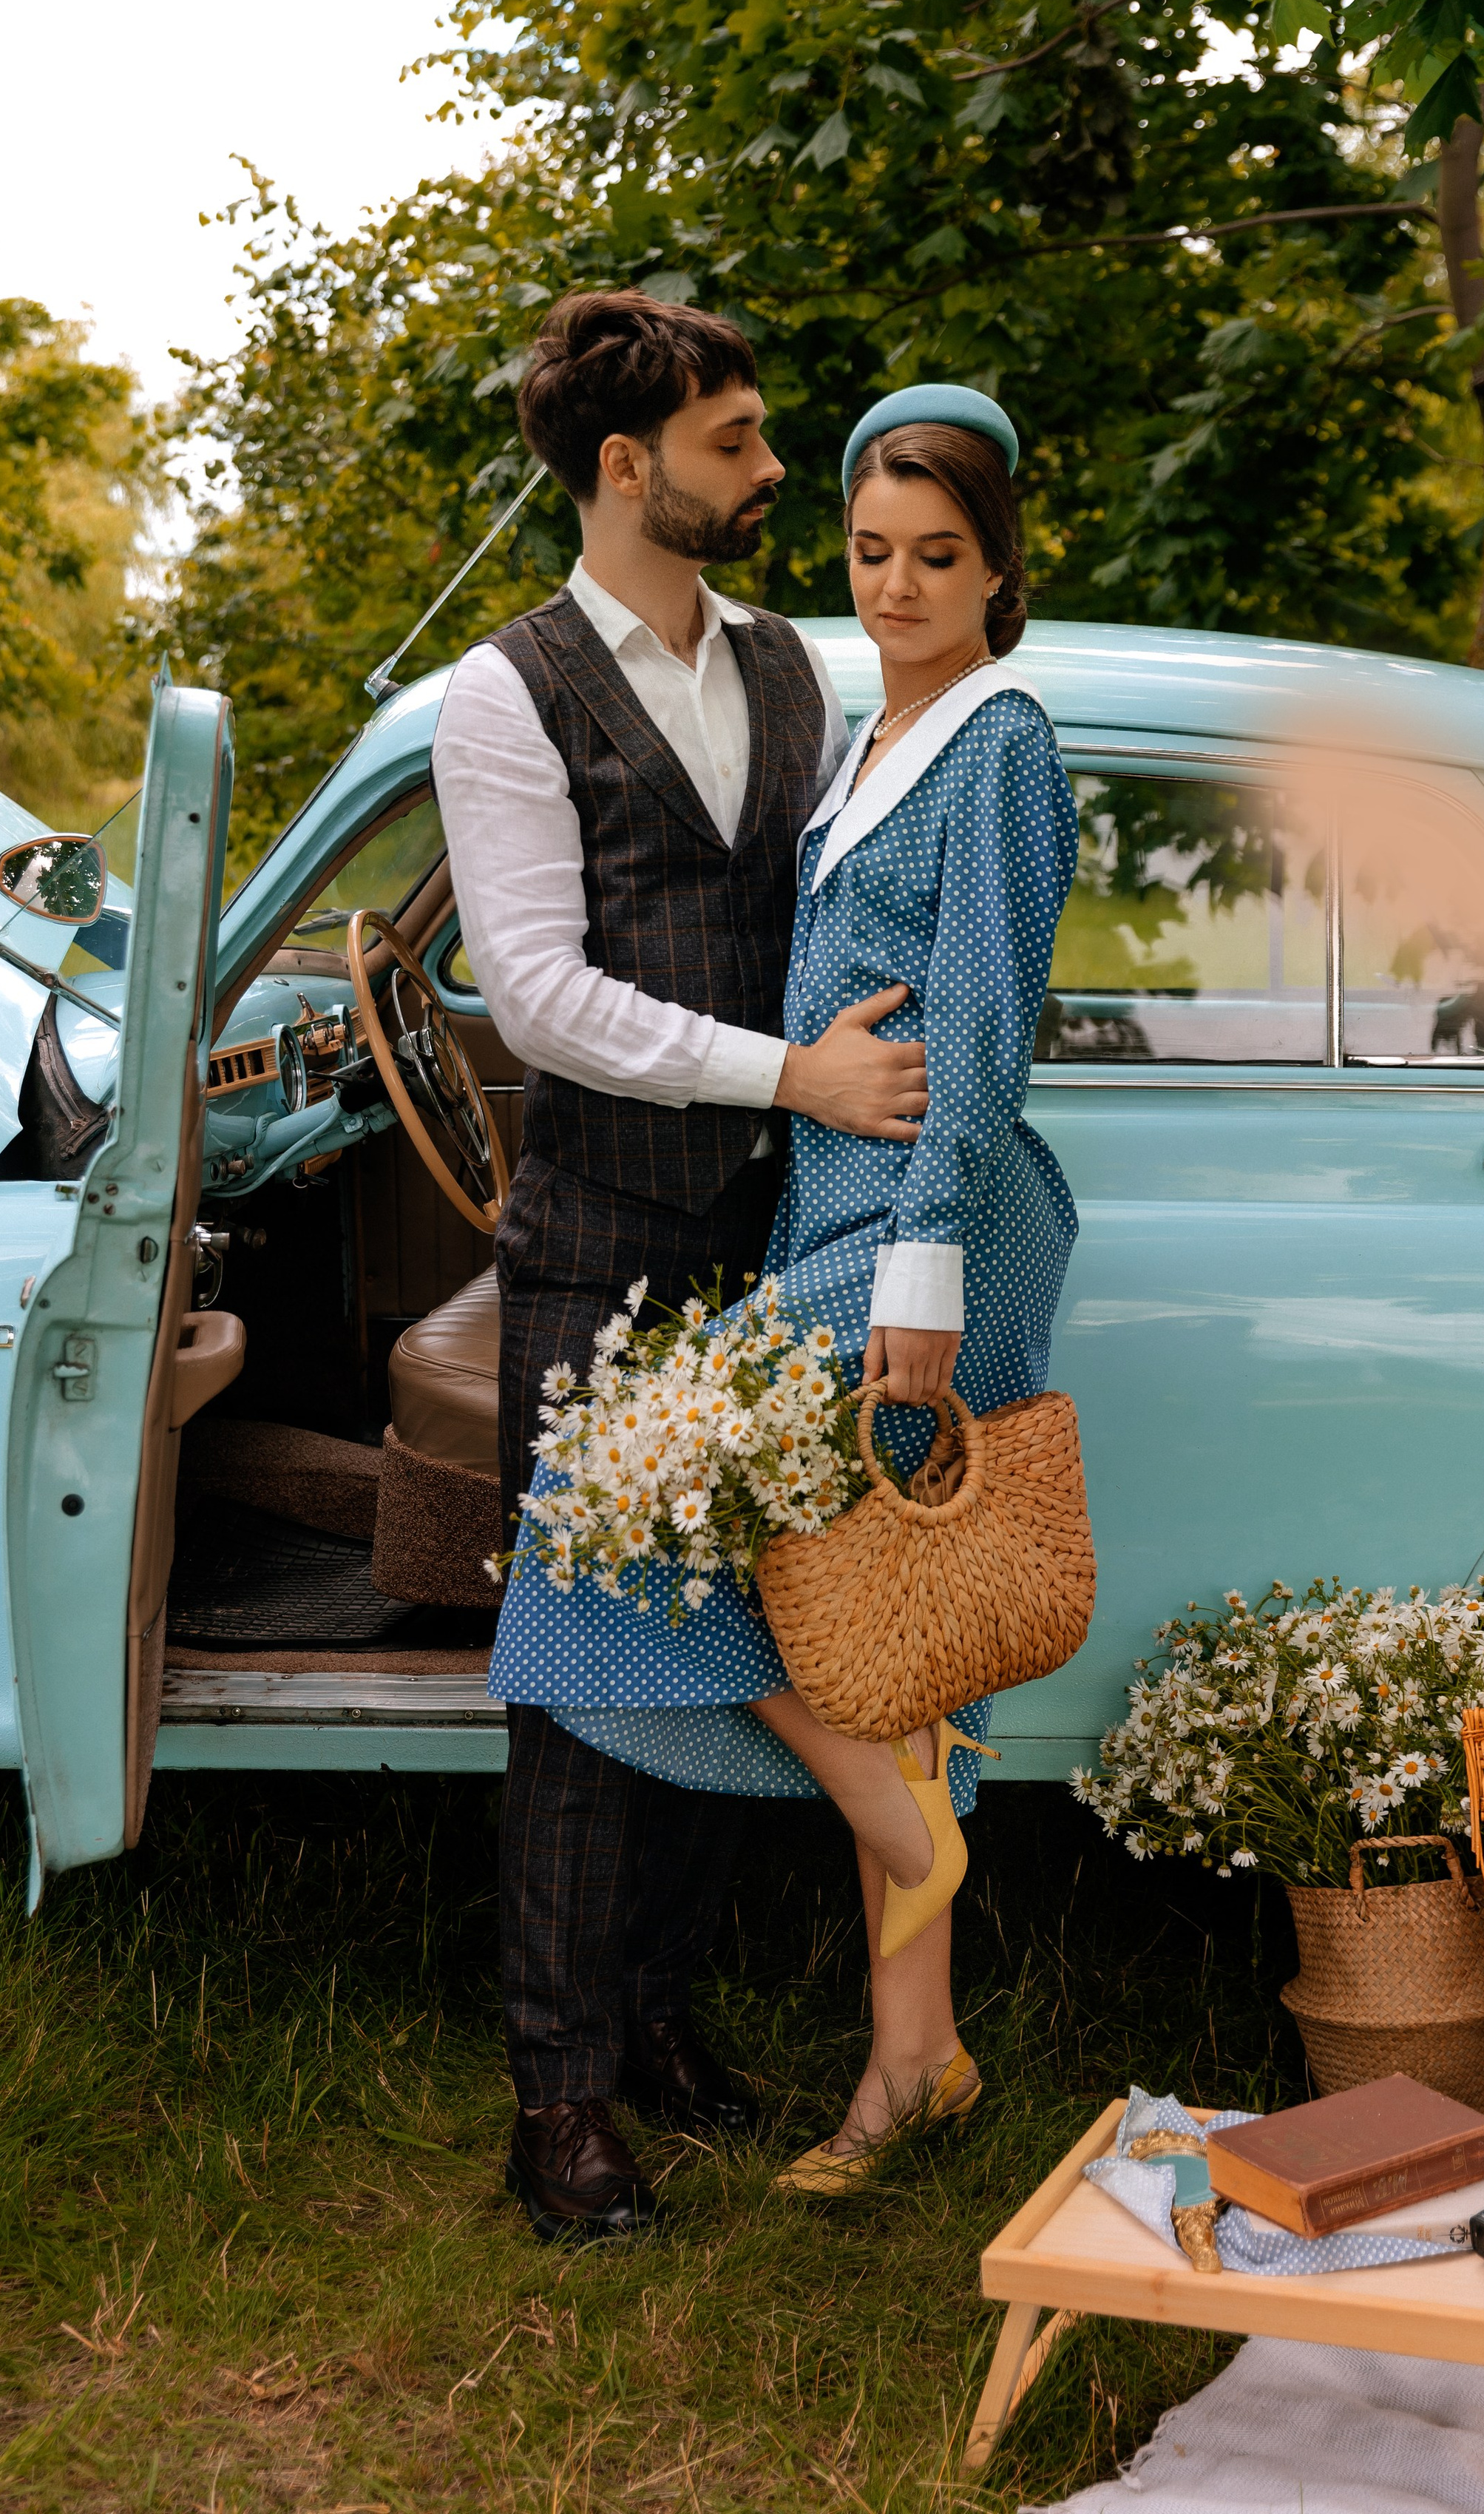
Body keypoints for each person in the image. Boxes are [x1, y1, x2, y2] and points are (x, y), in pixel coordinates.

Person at [489, 379, 1082, 2196]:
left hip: (923, 1230)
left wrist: (922, 1269)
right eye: (870, 551)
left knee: (611, 1511)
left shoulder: (995, 741)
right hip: (829, 1217)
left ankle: (901, 1829)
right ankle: (916, 2064)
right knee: (882, 1631)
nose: (896, 587)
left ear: (996, 574)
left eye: (938, 557)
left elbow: (980, 1025)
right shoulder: (864, 733)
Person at [433, 291, 931, 2244]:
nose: (773, 468)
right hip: (604, 1252)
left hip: (779, 1248)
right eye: (736, 439)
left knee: (738, 1650)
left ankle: (655, 2020)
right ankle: (557, 2103)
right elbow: (537, 996)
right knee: (576, 1688)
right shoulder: (507, 693)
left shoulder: (790, 663)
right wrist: (788, 1074)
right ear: (627, 466)